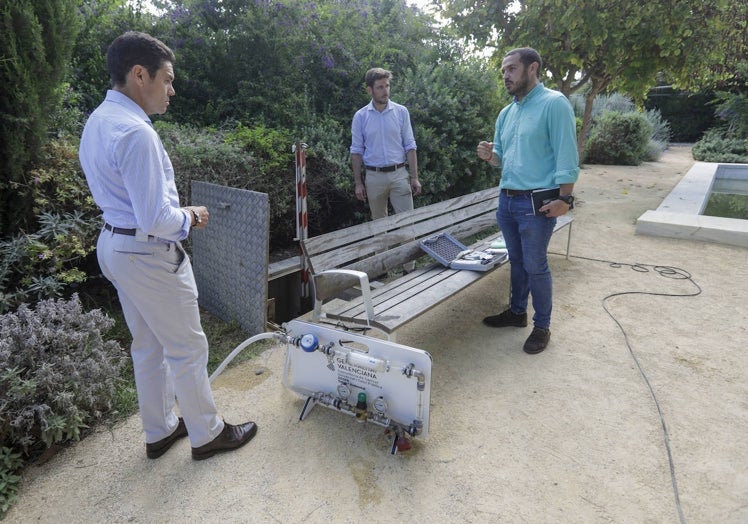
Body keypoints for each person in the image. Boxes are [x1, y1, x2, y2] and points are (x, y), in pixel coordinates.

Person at [79, 31, 257, 460]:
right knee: (187, 347)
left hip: (116, 246)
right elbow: (157, 220)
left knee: (149, 345)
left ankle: (160, 430)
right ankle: (207, 433)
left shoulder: (98, 121)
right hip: (147, 254)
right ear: (140, 75)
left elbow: (131, 206)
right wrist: (191, 216)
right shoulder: (137, 133)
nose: (172, 90)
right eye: (168, 79)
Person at [476, 47, 579, 354]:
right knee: (517, 262)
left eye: (511, 69)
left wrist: (566, 198)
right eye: (504, 70)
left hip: (537, 203)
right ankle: (517, 312)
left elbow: (566, 154)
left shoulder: (554, 104)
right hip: (506, 203)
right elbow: (503, 159)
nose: (505, 75)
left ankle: (542, 326)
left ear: (532, 68)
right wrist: (490, 156)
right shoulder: (506, 113)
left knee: (535, 266)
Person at [351, 67, 421, 272]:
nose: (385, 91)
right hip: (373, 176)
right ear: (369, 90)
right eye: (380, 87)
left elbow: (410, 145)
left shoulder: (400, 112)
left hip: (399, 174)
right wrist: (358, 182)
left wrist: (415, 177)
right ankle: (383, 270)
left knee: (407, 224)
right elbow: (356, 151)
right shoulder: (361, 116)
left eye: (387, 86)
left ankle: (409, 270)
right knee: (379, 227)